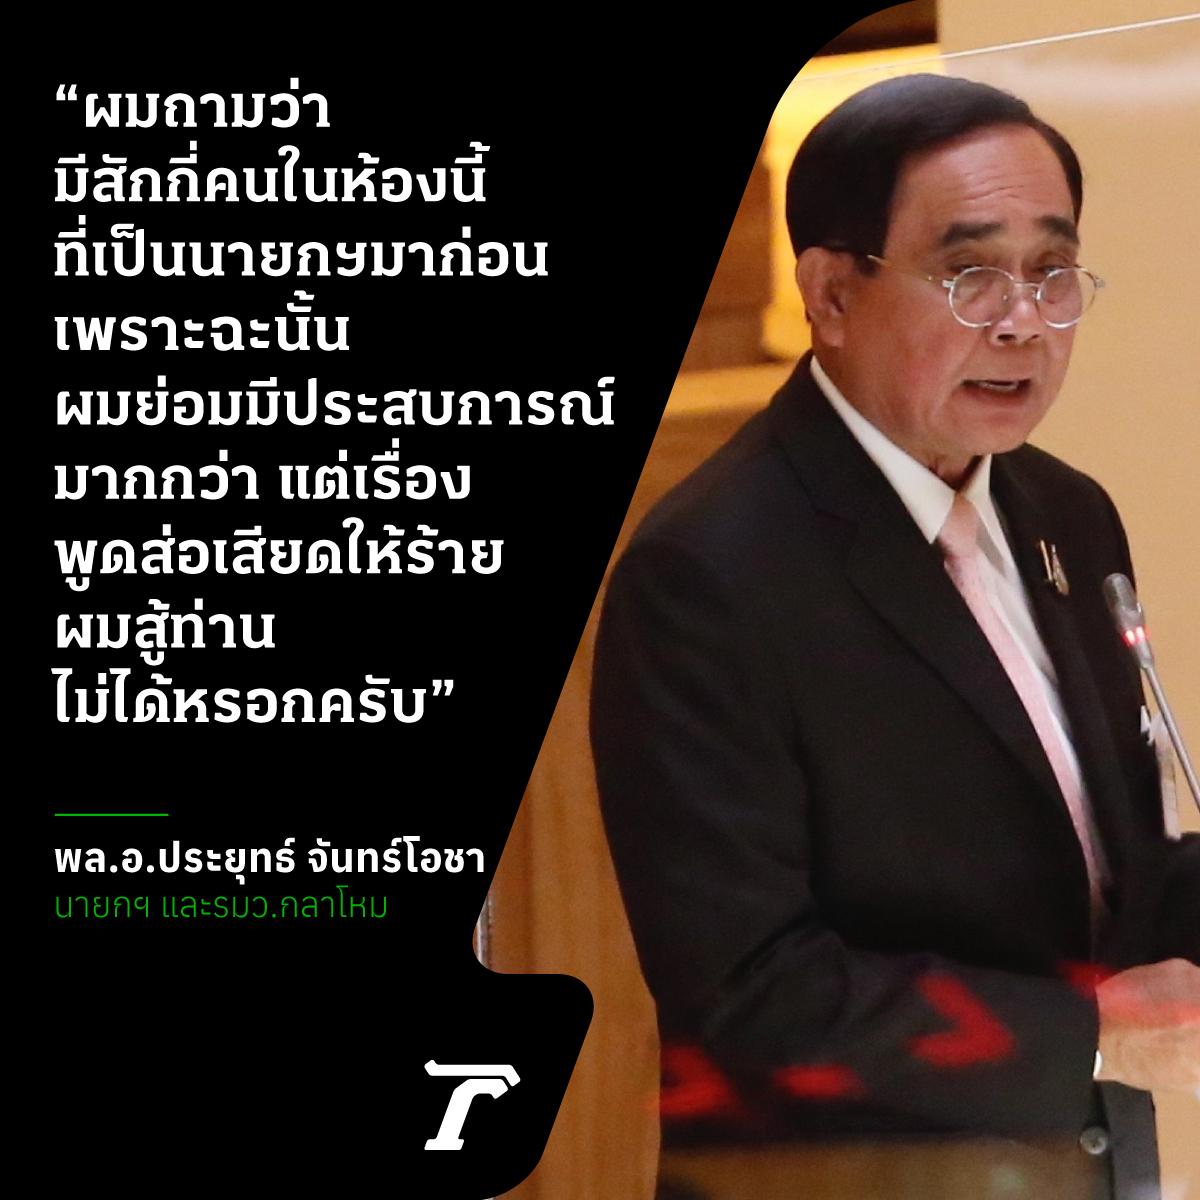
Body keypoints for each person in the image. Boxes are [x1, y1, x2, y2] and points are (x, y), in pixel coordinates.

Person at [590, 75, 1199, 1200]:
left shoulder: (1068, 513)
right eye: (971, 274)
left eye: (1052, 271)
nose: (1023, 320)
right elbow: (751, 996)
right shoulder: (706, 576)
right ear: (831, 294)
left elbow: (1115, 867)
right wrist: (1101, 1035)